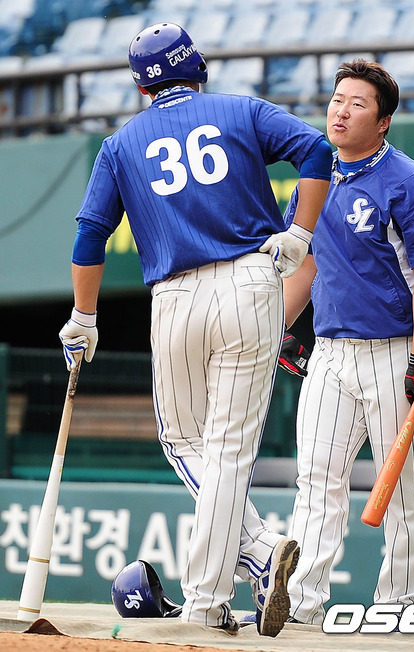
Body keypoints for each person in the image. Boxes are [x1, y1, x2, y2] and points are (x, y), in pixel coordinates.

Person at [57, 23, 331, 636]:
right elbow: (317, 150)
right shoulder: (240, 109)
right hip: (253, 282)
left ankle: (242, 569)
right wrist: (300, 232)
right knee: (229, 450)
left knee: (185, 441)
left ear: (141, 86)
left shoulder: (121, 144)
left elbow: (90, 234)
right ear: (197, 67)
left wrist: (84, 315)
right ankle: (239, 571)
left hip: (176, 295)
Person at [279, 59, 414, 625]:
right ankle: (300, 604)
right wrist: (278, 327)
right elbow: (305, 263)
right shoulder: (315, 175)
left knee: (403, 491)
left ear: (383, 122)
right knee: (316, 483)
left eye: (357, 104)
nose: (341, 111)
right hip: (330, 354)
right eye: (337, 99)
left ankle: (401, 608)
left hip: (395, 351)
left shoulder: (410, 181)